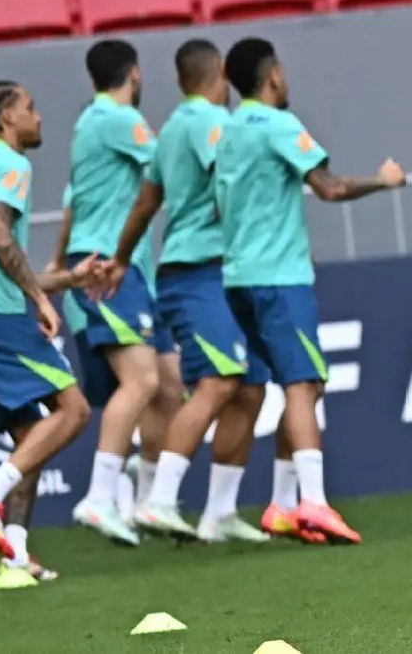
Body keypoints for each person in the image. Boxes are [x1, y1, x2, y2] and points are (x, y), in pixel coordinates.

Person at [216, 37, 407, 543]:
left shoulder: (228, 130)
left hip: (239, 278)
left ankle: (281, 506)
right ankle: (315, 503)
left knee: (301, 384)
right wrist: (382, 181)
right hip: (278, 280)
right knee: (302, 383)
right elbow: (330, 187)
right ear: (273, 75)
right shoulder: (278, 124)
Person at [96, 38, 270, 543]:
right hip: (200, 271)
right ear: (219, 70)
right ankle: (160, 501)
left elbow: (146, 202)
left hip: (216, 270)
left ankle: (219, 513)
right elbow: (234, 183)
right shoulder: (208, 123)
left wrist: (122, 258)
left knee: (251, 388)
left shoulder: (170, 128)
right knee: (218, 381)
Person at [0, 81, 97, 587]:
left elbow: (2, 262)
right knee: (74, 409)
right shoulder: (13, 165)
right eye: (31, 107)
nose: (40, 116)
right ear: (8, 118)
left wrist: (65, 280)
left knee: (33, 438)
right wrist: (42, 298)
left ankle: (16, 558)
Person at [51, 39, 169, 547]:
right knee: (140, 382)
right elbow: (175, 164)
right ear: (135, 75)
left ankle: (146, 503)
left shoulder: (92, 124)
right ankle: (101, 498)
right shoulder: (118, 120)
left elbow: (75, 202)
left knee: (168, 385)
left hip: (125, 269)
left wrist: (58, 262)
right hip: (105, 268)